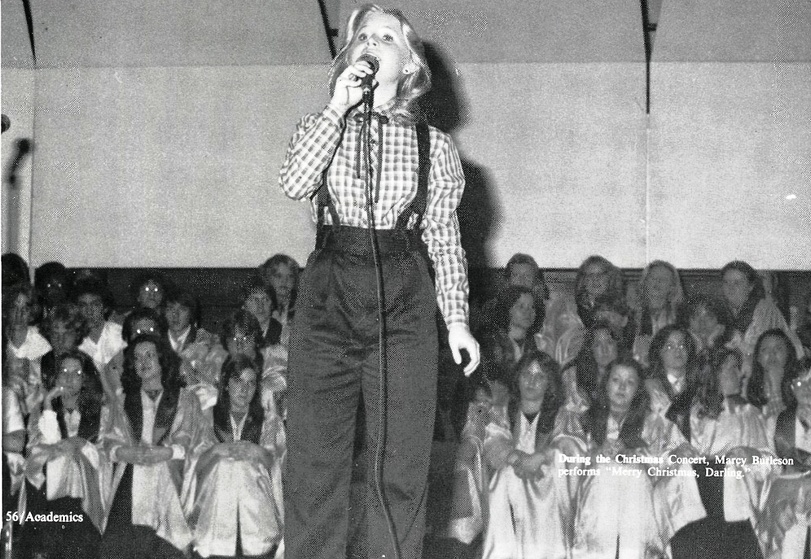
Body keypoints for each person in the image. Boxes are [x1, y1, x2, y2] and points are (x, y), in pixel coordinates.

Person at [277, 5, 480, 558]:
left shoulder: (435, 146)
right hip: (329, 287)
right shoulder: (321, 125)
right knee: (315, 460)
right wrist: (337, 108)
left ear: (409, 64)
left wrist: (457, 322)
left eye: (386, 37)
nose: (371, 42)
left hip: (404, 291)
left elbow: (444, 240)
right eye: (362, 36)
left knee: (400, 464)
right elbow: (294, 183)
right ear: (349, 55)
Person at [564, 358, 705, 558]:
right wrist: (595, 453)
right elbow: (567, 457)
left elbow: (678, 451)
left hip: (639, 499)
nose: (622, 387)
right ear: (605, 383)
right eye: (616, 380)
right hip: (594, 500)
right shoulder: (583, 420)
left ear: (638, 389)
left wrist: (641, 455)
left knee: (633, 473)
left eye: (630, 382)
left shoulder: (655, 423)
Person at [99, 334, 206, 558]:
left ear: (162, 360)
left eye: (149, 355)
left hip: (171, 473)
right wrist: (124, 452)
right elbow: (109, 440)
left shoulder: (185, 399)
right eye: (137, 358)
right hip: (131, 471)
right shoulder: (123, 401)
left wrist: (167, 452)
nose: (143, 362)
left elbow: (194, 442)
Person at [186, 355, 286, 558]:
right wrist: (216, 451)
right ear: (226, 384)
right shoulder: (207, 417)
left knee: (245, 466)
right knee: (224, 465)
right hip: (214, 506)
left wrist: (259, 453)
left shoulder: (268, 421)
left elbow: (279, 464)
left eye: (251, 383)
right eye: (238, 381)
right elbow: (193, 463)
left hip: (257, 512)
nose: (244, 389)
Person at [481, 350, 569, 559]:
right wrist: (515, 456)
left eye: (540, 376)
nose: (531, 381)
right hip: (509, 478)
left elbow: (568, 446)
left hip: (546, 483)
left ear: (549, 383)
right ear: (517, 377)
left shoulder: (561, 415)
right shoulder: (503, 411)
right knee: (503, 477)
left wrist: (541, 457)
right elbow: (494, 440)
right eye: (526, 374)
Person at [22, 350, 107, 558]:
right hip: (50, 489)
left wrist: (80, 445)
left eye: (76, 373)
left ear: (85, 379)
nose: (69, 378)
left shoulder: (100, 411)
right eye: (64, 372)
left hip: (86, 489)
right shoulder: (41, 410)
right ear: (55, 376)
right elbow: (40, 450)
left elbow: (103, 454)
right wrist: (48, 404)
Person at [720, 260, 804, 378]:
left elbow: (766, 350)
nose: (730, 287)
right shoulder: (719, 312)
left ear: (750, 286)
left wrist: (736, 339)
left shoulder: (765, 310)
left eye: (737, 282)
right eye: (726, 282)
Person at [632, 260, 684, 366]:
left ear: (672, 287)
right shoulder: (631, 315)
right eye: (653, 278)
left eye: (663, 279)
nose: (657, 282)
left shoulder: (681, 317)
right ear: (644, 282)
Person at [259, 254, 299, 347]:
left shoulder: (301, 305)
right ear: (268, 278)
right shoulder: (261, 305)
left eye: (290, 276)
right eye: (278, 276)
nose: (284, 281)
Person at [573, 255, 625, 328]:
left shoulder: (621, 308)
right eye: (590, 275)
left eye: (600, 274)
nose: (595, 279)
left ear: (610, 279)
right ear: (583, 280)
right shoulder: (573, 307)